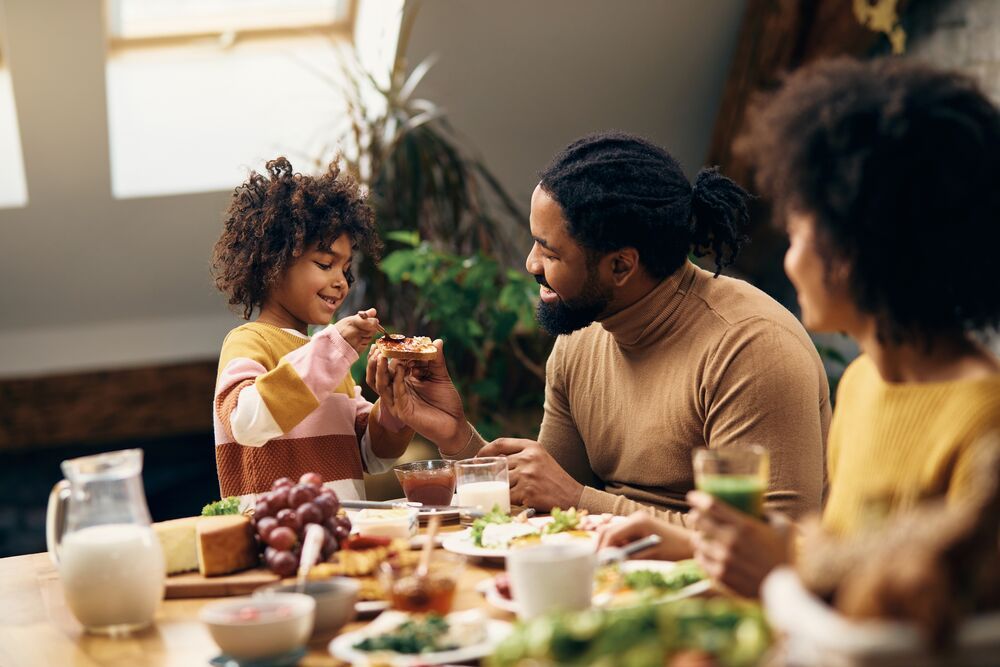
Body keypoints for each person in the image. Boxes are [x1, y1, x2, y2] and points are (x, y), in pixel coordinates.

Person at [602, 57, 1000, 596]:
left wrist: (779, 577)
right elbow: (842, 558)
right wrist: (691, 543)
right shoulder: (864, 382)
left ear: (859, 247)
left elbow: (930, 632)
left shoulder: (985, 424)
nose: (790, 261)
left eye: (799, 234)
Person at [419, 131, 830, 556]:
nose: (530, 264)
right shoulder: (582, 337)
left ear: (621, 265)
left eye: (550, 252)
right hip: (606, 580)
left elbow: (769, 546)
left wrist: (581, 501)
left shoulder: (751, 348)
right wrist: (455, 436)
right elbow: (540, 500)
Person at [209, 157, 468, 501]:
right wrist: (333, 349)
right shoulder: (250, 341)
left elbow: (372, 458)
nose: (341, 283)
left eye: (345, 269)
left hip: (345, 540)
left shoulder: (329, 358)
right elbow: (245, 420)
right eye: (324, 264)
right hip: (278, 543)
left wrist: (393, 405)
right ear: (272, 262)